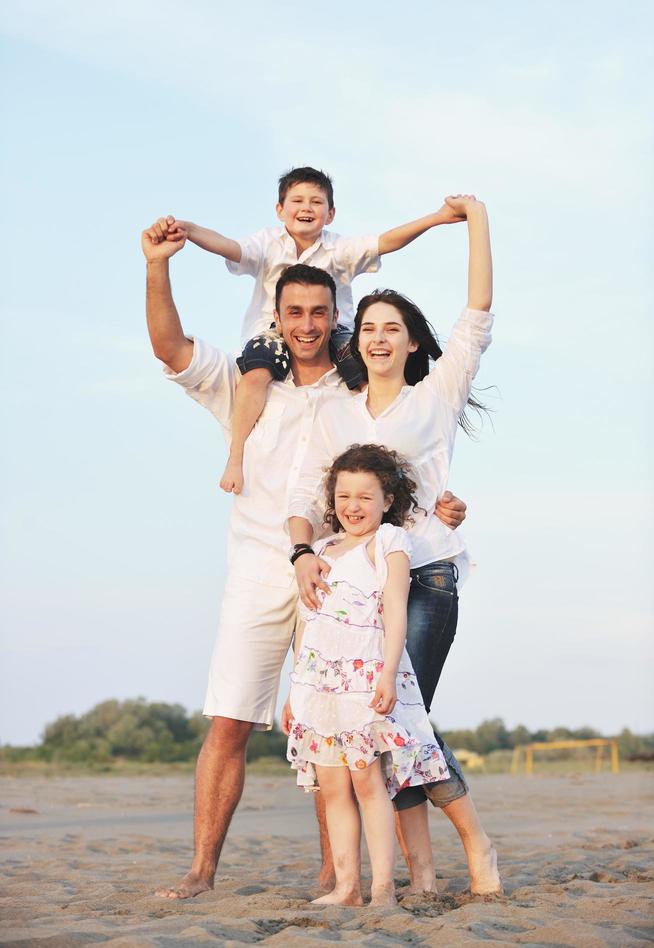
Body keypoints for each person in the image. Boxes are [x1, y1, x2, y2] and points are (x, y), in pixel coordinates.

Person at [141, 225, 467, 900]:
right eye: (295, 313)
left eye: (321, 312)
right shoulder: (246, 386)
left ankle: (336, 875)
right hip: (261, 568)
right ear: (278, 318)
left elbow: (413, 458)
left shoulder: (356, 395)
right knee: (229, 718)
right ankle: (202, 871)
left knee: (343, 732)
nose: (308, 324)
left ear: (336, 317)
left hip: (343, 577)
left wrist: (444, 507)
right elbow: (170, 348)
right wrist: (156, 269)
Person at [288, 194, 502, 895]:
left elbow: (477, 316)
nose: (379, 337)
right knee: (390, 731)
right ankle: (424, 875)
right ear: (358, 343)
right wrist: (304, 551)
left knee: (401, 722)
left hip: (427, 575)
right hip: (355, 592)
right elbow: (306, 504)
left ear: (412, 341)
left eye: (393, 328)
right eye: (370, 328)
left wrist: (474, 221)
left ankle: (474, 847)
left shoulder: (435, 396)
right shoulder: (333, 410)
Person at [150, 165, 466, 495]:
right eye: (297, 201)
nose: (306, 208)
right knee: (255, 376)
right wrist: (190, 230)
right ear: (280, 210)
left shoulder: (338, 249)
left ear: (330, 214)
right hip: (274, 333)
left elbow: (386, 241)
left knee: (363, 385)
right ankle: (236, 454)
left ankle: (380, 451)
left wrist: (437, 217)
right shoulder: (267, 243)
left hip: (335, 332)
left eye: (316, 202)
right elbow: (229, 247)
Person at [283, 444, 451, 907]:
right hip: (319, 689)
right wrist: (294, 692)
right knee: (333, 788)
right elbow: (307, 624)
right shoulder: (318, 550)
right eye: (343, 497)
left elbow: (395, 612)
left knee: (367, 783)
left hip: (364, 681)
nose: (352, 507)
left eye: (364, 497)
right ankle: (347, 887)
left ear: (387, 501)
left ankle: (382, 889)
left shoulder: (389, 543)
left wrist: (389, 674)